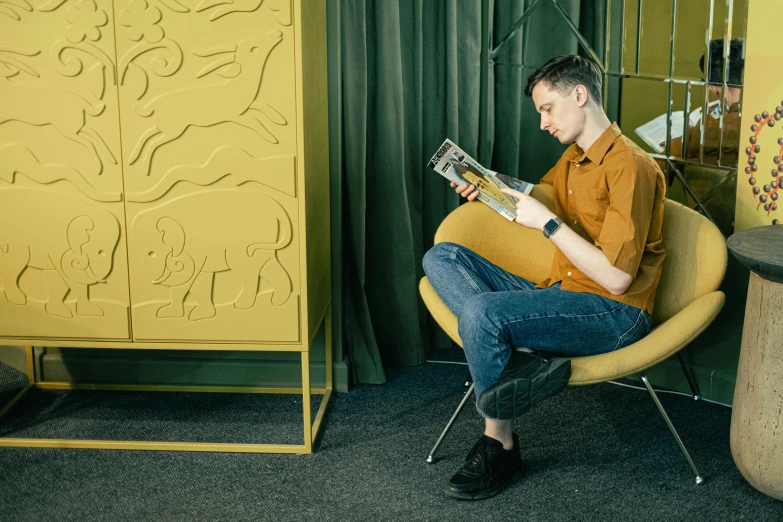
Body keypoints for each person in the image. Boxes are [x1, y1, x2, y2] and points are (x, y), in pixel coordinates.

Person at [422, 55, 666, 500]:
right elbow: (535, 195)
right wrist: (488, 185)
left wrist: (548, 224)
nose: (542, 122)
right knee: (441, 257)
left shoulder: (630, 166)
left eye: (546, 108)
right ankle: (521, 359)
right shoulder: (574, 158)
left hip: (613, 312)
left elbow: (616, 280)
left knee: (481, 313)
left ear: (579, 95)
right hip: (561, 293)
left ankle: (501, 443)